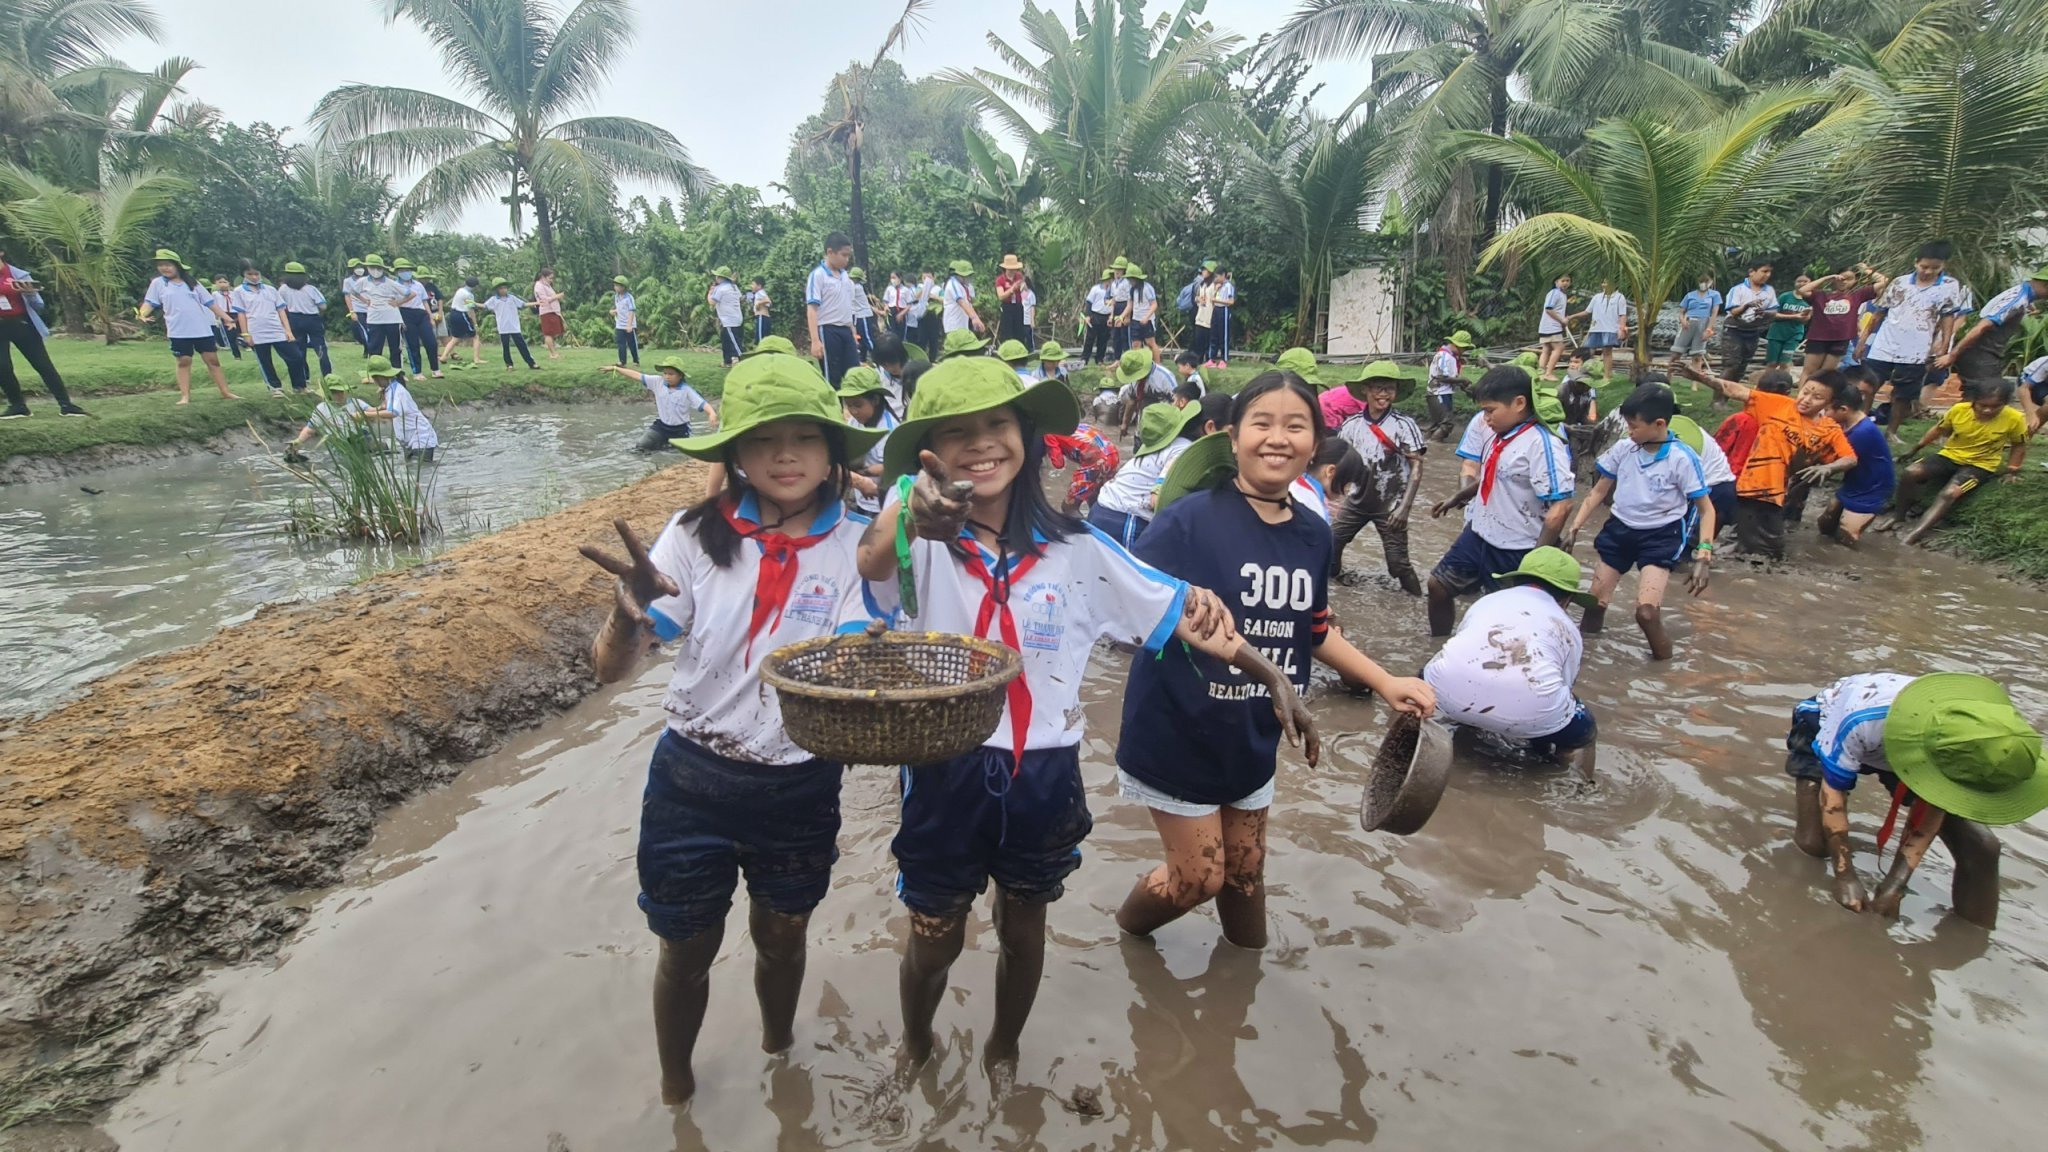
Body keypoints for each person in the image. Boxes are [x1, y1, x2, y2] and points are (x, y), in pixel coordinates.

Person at [853, 355, 1260, 1081]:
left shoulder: (1078, 549)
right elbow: (872, 565)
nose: (980, 444)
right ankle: (916, 1043)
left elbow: (1183, 614)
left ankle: (1004, 1049)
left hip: (1043, 770)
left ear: (1028, 435)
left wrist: (1274, 683)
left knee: (1025, 924)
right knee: (934, 934)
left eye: (997, 425)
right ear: (930, 453)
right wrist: (911, 509)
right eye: (956, 433)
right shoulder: (917, 533)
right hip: (944, 766)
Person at [577, 352, 885, 1104]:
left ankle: (780, 1053)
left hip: (799, 783)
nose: (785, 455)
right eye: (763, 439)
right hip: (691, 777)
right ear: (736, 454)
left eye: (805, 438)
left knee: (784, 938)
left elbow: (855, 657)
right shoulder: (691, 535)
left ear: (831, 451)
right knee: (685, 948)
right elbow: (608, 672)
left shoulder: (860, 543)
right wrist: (625, 616)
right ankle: (676, 1089)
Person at [1113, 372, 1434, 948]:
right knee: (1198, 879)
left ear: (1317, 442)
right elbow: (1129, 607)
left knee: (1245, 872)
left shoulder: (1313, 533)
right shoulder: (1188, 520)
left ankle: (1246, 977)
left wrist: (1386, 682)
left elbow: (1311, 630)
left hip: (1252, 731)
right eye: (1261, 423)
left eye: (1296, 425)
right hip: (1176, 729)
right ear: (1233, 437)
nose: (1277, 438)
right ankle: (1125, 939)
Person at [1782, 672, 2044, 929]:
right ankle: (1850, 850)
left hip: (1931, 748)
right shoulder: (1860, 723)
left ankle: (1976, 944)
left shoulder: (1997, 741)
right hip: (1831, 723)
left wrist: (1896, 884)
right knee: (1812, 845)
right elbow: (1833, 796)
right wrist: (1845, 874)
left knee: (1983, 847)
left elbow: (1934, 808)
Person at [1563, 384, 1714, 661]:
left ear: (1659, 424)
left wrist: (1703, 556)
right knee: (1595, 603)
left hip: (1661, 535)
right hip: (1620, 529)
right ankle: (1584, 657)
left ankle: (1664, 665)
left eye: (1634, 427)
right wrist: (1574, 528)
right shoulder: (1624, 449)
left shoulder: (1681, 458)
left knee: (1646, 613)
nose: (1629, 432)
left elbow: (1706, 510)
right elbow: (1598, 491)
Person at [1422, 547, 1600, 779]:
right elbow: (1564, 689)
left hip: (1445, 695)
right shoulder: (1567, 628)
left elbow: (1464, 650)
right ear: (1567, 599)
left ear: (1515, 580)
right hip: (1532, 714)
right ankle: (1577, 786)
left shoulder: (1488, 601)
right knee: (1585, 734)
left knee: (1424, 679)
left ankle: (1400, 745)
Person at [1425, 366, 1575, 637]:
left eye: (1490, 410)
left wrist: (1536, 558)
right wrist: (1457, 497)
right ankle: (1440, 647)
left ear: (1519, 403)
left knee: (1504, 622)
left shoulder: (1542, 444)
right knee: (1438, 586)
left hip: (1517, 547)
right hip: (1480, 533)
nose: (1486, 417)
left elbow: (1561, 505)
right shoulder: (1501, 435)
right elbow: (1492, 477)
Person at [1677, 365, 1856, 560]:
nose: (1806, 400)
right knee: (1770, 551)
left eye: (1817, 397)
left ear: (1830, 402)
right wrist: (1702, 378)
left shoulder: (1829, 429)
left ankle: (1709, 554)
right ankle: (1689, 555)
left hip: (1779, 493)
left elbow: (1850, 458)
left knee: (1753, 544)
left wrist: (1828, 468)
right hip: (1754, 487)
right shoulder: (1779, 404)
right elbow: (1736, 390)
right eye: (1805, 392)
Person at [1883, 380, 2029, 545]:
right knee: (1911, 472)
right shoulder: (1959, 410)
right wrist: (1914, 450)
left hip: (1980, 465)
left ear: (2004, 404)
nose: (1988, 410)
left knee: (1950, 493)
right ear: (1974, 401)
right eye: (1983, 405)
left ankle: (1916, 533)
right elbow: (1938, 430)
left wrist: (2012, 470)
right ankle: (1898, 517)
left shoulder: (2015, 418)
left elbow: (2019, 445)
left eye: (1996, 406)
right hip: (1950, 455)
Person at [1330, 361, 1426, 594]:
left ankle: (1418, 600)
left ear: (1396, 392)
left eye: (1389, 389)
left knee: (1398, 564)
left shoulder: (1404, 425)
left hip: (1390, 505)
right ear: (1365, 390)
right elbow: (1341, 463)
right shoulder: (1352, 425)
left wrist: (1404, 508)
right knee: (1332, 543)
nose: (1383, 394)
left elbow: (1417, 467)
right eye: (1377, 388)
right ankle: (1333, 590)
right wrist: (1334, 495)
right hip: (1357, 501)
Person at [1860, 242, 1971, 440]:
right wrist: (1863, 341)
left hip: (1917, 349)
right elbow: (1878, 313)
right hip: (1884, 345)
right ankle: (1860, 424)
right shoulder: (1899, 283)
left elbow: (1948, 317)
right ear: (1916, 263)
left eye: (1934, 268)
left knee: (1903, 394)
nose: (1928, 271)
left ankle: (1891, 432)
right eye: (1924, 267)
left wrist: (1944, 346)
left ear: (1943, 266)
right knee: (1869, 385)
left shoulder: (1949, 287)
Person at [1092, 398, 1206, 546]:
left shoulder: (1152, 449)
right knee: (1132, 568)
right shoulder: (1181, 448)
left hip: (1103, 510)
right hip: (1124, 519)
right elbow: (1157, 500)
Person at [138, 250, 238, 404]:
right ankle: (185, 396)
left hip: (201, 329)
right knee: (184, 361)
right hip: (178, 330)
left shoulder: (192, 283)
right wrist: (142, 314)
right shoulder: (158, 283)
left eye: (168, 265)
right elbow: (150, 302)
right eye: (161, 265)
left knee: (212, 360)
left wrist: (227, 319)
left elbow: (210, 303)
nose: (164, 268)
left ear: (177, 266)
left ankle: (225, 392)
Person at [0, 246, 84, 418]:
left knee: (42, 364)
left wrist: (29, 293)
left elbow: (39, 305)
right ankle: (18, 405)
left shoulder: (18, 275)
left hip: (21, 323)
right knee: (2, 366)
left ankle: (66, 404)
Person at [1935, 267, 2047, 395]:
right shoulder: (2016, 300)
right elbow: (1981, 327)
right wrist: (1952, 355)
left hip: (1988, 354)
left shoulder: (2022, 295)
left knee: (1987, 396)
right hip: (1980, 354)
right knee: (1986, 396)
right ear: (2045, 285)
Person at [1813, 375, 1892, 544]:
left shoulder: (1862, 432)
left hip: (1872, 488)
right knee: (1825, 524)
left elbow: (1833, 459)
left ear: (1843, 410)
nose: (1823, 414)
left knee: (1847, 535)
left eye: (1827, 410)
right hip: (1855, 482)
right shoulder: (1847, 424)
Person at [604, 354, 714, 453]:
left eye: (671, 374)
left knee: (676, 454)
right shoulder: (657, 382)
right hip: (661, 426)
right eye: (665, 373)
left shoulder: (686, 391)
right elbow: (637, 375)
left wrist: (711, 414)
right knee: (641, 445)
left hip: (680, 430)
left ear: (680, 376)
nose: (667, 376)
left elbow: (703, 404)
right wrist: (616, 368)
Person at [231, 262, 309, 396]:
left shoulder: (270, 290)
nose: (254, 277)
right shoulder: (239, 291)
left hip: (276, 329)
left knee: (296, 356)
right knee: (265, 361)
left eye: (256, 274)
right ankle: (275, 387)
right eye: (250, 274)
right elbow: (241, 314)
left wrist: (288, 331)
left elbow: (281, 311)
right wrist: (245, 334)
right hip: (256, 331)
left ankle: (299, 386)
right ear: (243, 274)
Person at [836, 365, 896, 515]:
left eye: (858, 405)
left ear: (875, 400)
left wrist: (864, 472)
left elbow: (894, 467)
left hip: (882, 502)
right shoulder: (855, 422)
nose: (853, 411)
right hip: (862, 497)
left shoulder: (889, 430)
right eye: (849, 405)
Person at [362, 355, 439, 463]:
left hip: (421, 438)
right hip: (408, 439)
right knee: (413, 470)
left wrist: (365, 414)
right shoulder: (390, 389)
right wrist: (369, 411)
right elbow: (385, 408)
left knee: (421, 471)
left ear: (379, 378)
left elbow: (393, 412)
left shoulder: (398, 391)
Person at [806, 237, 860, 386]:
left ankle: (852, 408)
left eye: (849, 255)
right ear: (830, 252)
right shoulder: (818, 276)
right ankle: (835, 408)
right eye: (844, 255)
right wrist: (815, 341)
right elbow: (812, 309)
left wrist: (853, 332)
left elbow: (848, 307)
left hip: (846, 330)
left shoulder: (845, 277)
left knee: (854, 374)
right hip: (828, 330)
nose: (847, 259)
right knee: (832, 377)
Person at [1043, 420, 1119, 515]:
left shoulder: (1049, 433)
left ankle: (1084, 530)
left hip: (1097, 460)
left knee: (1069, 507)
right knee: (1095, 500)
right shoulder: (1074, 424)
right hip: (1113, 454)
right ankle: (1101, 527)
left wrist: (1048, 448)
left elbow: (1059, 464)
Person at [1721, 260, 1779, 382]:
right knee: (1731, 365)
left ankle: (1732, 392)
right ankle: (1719, 397)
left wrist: (1764, 313)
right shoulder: (1738, 289)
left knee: (1742, 366)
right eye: (1764, 271)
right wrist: (1747, 306)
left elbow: (1773, 312)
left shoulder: (1769, 291)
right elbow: (1734, 312)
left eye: (1769, 272)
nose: (1767, 275)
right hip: (1734, 330)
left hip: (1753, 331)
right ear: (1752, 272)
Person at [289, 374, 374, 453]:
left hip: (362, 440)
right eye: (334, 392)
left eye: (341, 391)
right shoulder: (322, 409)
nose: (339, 395)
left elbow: (374, 412)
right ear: (327, 394)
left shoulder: (356, 403)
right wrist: (298, 441)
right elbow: (310, 430)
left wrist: (371, 412)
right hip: (339, 446)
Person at [277, 261, 333, 378]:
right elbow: (323, 306)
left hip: (294, 319)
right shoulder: (310, 289)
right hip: (312, 319)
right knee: (321, 348)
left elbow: (280, 306)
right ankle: (327, 376)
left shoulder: (283, 289)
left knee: (300, 350)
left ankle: (304, 378)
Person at [386, 260, 440, 379]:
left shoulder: (418, 285)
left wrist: (430, 316)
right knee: (413, 344)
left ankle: (435, 369)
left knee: (431, 342)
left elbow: (424, 301)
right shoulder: (395, 285)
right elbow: (393, 303)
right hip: (405, 313)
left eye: (407, 270)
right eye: (402, 270)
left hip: (421, 313)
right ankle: (417, 372)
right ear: (397, 272)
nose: (406, 272)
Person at [1113, 348, 1178, 446]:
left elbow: (1177, 403)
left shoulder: (1165, 378)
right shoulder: (1134, 378)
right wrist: (1125, 423)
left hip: (1163, 427)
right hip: (1143, 427)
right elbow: (1132, 400)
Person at [354, 255, 407, 366]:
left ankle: (397, 372)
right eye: (372, 267)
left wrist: (398, 303)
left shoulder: (390, 282)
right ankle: (376, 373)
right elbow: (353, 292)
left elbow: (410, 294)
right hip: (374, 319)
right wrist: (365, 301)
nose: (376, 271)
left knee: (395, 348)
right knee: (374, 348)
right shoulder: (363, 281)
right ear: (368, 268)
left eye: (378, 268)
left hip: (392, 319)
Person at [1424, 330, 1473, 441]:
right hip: (1438, 393)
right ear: (1458, 345)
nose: (1464, 351)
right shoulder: (1444, 356)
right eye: (1464, 348)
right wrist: (1462, 379)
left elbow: (1450, 377)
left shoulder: (1451, 357)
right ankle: (1434, 445)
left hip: (1442, 393)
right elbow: (1442, 377)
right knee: (1447, 424)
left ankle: (1425, 444)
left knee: (1437, 424)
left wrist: (1462, 384)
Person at [481, 278, 539, 370]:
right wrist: (473, 304)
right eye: (501, 288)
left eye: (505, 288)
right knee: (506, 347)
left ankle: (531, 363)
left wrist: (536, 303)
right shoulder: (494, 300)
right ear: (497, 290)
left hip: (514, 326)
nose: (504, 290)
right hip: (503, 327)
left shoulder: (511, 298)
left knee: (522, 345)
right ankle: (509, 364)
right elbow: (485, 306)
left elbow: (523, 304)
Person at [1667, 274, 1721, 371]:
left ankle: (1695, 382)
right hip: (1689, 322)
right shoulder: (1690, 295)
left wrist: (1709, 330)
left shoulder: (1714, 295)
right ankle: (1668, 377)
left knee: (1697, 355)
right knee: (1676, 352)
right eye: (1701, 282)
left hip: (1704, 324)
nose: (1703, 284)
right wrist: (1683, 321)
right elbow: (1681, 312)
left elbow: (1714, 313)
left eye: (1706, 281)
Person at [1583, 280, 1628, 378]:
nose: (1604, 285)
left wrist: (1621, 328)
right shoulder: (1597, 297)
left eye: (1607, 282)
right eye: (1603, 282)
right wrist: (1571, 317)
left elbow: (1622, 314)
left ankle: (1607, 376)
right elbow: (1587, 311)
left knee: (1607, 352)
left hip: (1610, 329)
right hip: (1595, 328)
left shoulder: (1620, 297)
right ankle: (1585, 373)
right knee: (1588, 351)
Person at [1766, 274, 1811, 367]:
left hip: (1794, 335)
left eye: (1805, 281)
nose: (1802, 283)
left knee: (1785, 363)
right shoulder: (1785, 296)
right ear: (1794, 283)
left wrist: (1806, 315)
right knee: (1772, 363)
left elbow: (1805, 321)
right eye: (1799, 281)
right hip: (1776, 334)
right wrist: (1795, 316)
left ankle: (1784, 381)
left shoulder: (1810, 300)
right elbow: (1773, 314)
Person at [705, 267, 744, 365]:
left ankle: (739, 358)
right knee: (725, 339)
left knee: (733, 341)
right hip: (736, 318)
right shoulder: (734, 287)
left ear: (721, 277)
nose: (716, 278)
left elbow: (712, 302)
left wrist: (709, 293)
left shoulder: (720, 288)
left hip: (729, 320)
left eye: (717, 276)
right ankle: (727, 361)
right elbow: (740, 299)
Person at [1537, 274, 1572, 379]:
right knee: (1559, 348)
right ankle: (1548, 373)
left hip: (1550, 326)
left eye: (1568, 280)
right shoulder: (1554, 293)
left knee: (1546, 349)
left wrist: (1563, 319)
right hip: (1551, 326)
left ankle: (1540, 373)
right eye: (1563, 280)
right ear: (1556, 282)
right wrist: (1561, 320)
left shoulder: (1563, 295)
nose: (1565, 283)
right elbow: (1548, 308)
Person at [443, 276, 482, 369]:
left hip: (453, 314)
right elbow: (470, 310)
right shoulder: (469, 294)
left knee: (455, 338)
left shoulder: (460, 290)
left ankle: (444, 356)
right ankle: (477, 359)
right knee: (475, 336)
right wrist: (475, 324)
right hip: (461, 314)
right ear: (475, 286)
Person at [941, 258, 985, 342]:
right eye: (966, 276)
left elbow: (968, 304)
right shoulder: (953, 284)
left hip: (962, 326)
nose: (968, 278)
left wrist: (977, 319)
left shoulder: (963, 286)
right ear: (959, 275)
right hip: (953, 325)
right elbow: (961, 302)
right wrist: (974, 317)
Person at [1127, 264, 1161, 361]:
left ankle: (1158, 365)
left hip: (1147, 320)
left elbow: (1154, 304)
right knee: (1136, 344)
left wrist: (1146, 317)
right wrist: (1122, 316)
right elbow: (1130, 305)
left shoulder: (1147, 288)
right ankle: (1139, 365)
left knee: (1150, 343)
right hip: (1135, 320)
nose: (1130, 282)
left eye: (1131, 279)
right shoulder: (1132, 290)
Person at [340, 257, 371, 355]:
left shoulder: (368, 279)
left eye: (361, 267)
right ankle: (367, 347)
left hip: (370, 308)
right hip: (357, 309)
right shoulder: (348, 281)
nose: (360, 269)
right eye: (357, 267)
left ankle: (370, 350)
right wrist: (352, 311)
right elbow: (347, 296)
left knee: (368, 331)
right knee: (358, 332)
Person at [1083, 268, 1114, 365]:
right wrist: (1088, 316)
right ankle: (1085, 358)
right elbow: (1089, 302)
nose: (1109, 282)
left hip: (1107, 317)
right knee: (1090, 339)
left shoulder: (1114, 291)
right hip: (1095, 315)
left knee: (1103, 339)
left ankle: (1100, 359)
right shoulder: (1095, 289)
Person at [209, 275, 244, 359]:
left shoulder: (233, 293)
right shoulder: (215, 294)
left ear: (228, 283)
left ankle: (246, 346)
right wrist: (217, 318)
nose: (223, 284)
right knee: (231, 336)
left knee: (241, 332)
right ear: (216, 283)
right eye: (220, 282)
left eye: (225, 282)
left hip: (235, 313)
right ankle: (237, 355)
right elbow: (215, 306)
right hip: (224, 314)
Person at [533, 267, 565, 359]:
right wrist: (557, 296)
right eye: (550, 278)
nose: (551, 280)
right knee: (548, 333)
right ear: (543, 277)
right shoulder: (539, 286)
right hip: (547, 311)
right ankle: (553, 354)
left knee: (553, 332)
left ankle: (553, 352)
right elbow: (544, 300)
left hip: (553, 310)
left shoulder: (547, 285)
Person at [995, 254, 1027, 345]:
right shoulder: (1000, 280)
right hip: (1007, 307)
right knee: (1007, 333)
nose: (1014, 271)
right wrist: (1012, 289)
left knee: (1019, 332)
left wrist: (1022, 287)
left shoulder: (1019, 276)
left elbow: (1024, 290)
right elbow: (1001, 296)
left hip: (1018, 306)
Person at [909, 269, 940, 361]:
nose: (927, 280)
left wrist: (934, 297)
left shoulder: (937, 289)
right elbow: (915, 297)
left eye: (929, 277)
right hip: (922, 317)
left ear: (934, 277)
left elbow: (944, 298)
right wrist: (925, 289)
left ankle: (932, 360)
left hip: (934, 316)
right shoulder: (920, 287)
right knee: (922, 339)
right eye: (924, 278)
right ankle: (921, 360)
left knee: (934, 340)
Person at [609, 276, 640, 367]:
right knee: (620, 343)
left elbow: (631, 311)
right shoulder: (616, 297)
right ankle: (622, 362)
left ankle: (636, 360)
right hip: (619, 324)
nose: (615, 287)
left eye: (617, 285)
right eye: (614, 285)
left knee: (632, 344)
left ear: (623, 287)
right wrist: (614, 311)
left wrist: (629, 325)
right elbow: (620, 308)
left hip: (628, 324)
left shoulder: (629, 298)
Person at [849, 267, 879, 362]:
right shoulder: (855, 286)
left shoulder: (856, 287)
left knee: (867, 338)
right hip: (858, 316)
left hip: (863, 315)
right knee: (860, 339)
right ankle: (863, 360)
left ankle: (878, 357)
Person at [1210, 269, 1235, 368]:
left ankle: (1224, 359)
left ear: (1223, 275)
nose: (1216, 278)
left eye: (1217, 276)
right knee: (1214, 334)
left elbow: (1231, 301)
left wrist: (1217, 300)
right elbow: (1213, 299)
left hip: (1223, 310)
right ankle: (1212, 358)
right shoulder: (1219, 286)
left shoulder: (1228, 286)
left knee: (1223, 336)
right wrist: (1216, 290)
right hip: (1216, 309)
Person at [1108, 257, 1133, 359]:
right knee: (1115, 335)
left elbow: (1129, 300)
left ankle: (1127, 357)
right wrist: (1111, 315)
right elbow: (1113, 300)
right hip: (1116, 307)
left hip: (1124, 306)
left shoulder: (1127, 283)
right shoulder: (1113, 284)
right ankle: (1117, 358)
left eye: (1119, 270)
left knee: (1124, 335)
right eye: (1115, 270)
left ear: (1123, 271)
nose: (1117, 272)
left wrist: (1127, 316)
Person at [750, 277, 773, 345]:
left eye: (753, 284)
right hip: (765, 318)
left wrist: (758, 303)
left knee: (760, 339)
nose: (751, 286)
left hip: (761, 317)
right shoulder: (762, 293)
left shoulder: (759, 293)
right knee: (765, 339)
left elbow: (768, 300)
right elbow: (769, 304)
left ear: (759, 286)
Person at [1020, 275, 1038, 348]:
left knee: (1029, 337)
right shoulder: (1021, 294)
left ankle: (1031, 350)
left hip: (1027, 320)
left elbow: (1032, 308)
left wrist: (1032, 320)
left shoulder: (1031, 294)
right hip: (1021, 319)